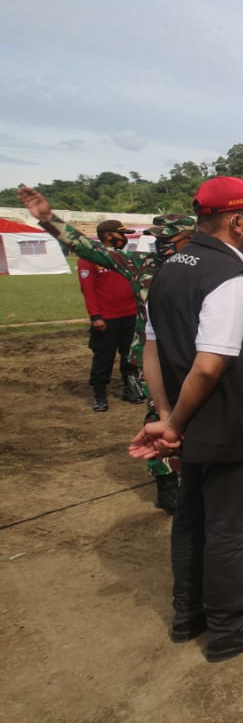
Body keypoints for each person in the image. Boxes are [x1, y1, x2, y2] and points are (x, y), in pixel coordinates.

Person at [128, 175, 243, 662]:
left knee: (194, 517)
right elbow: (209, 364)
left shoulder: (170, 269)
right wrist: (174, 424)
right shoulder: (230, 278)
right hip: (232, 424)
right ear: (234, 220)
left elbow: (154, 349)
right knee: (233, 524)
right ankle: (230, 624)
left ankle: (190, 613)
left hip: (195, 419)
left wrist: (165, 414)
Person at [18, 185, 194, 511]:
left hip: (196, 360)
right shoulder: (142, 264)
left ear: (187, 237)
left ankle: (200, 480)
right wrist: (47, 218)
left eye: (167, 237)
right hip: (155, 361)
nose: (159, 242)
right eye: (157, 236)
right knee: (160, 418)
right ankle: (167, 484)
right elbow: (86, 247)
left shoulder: (204, 268)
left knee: (200, 420)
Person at [72, 219, 144, 411]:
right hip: (107, 318)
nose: (124, 238)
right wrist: (95, 316)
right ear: (108, 235)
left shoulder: (124, 257)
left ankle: (131, 388)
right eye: (121, 234)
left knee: (130, 355)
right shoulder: (88, 259)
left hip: (130, 314)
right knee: (104, 357)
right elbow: (88, 290)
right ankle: (100, 395)